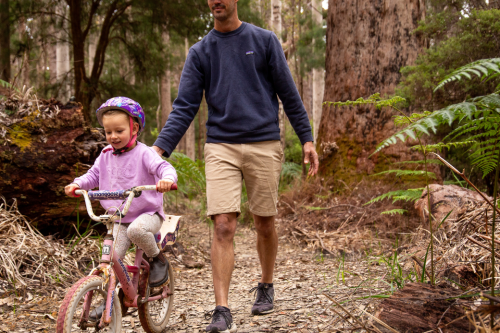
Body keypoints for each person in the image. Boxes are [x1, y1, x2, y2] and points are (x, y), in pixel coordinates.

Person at [153, 0, 319, 332]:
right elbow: (185, 106)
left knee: (264, 222)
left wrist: (307, 138)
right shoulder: (201, 52)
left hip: (264, 142)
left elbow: (289, 93)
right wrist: (159, 149)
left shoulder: (264, 40)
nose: (217, 1)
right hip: (221, 146)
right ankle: (222, 308)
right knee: (223, 226)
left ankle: (266, 285)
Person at [64, 96, 177, 320]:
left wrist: (166, 179)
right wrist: (78, 183)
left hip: (148, 215)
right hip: (118, 218)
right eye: (108, 132)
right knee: (111, 257)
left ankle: (157, 259)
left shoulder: (145, 153)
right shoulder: (105, 155)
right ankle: (112, 299)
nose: (113, 136)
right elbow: (93, 176)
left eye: (119, 130)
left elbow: (164, 167)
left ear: (134, 128)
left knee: (137, 230)